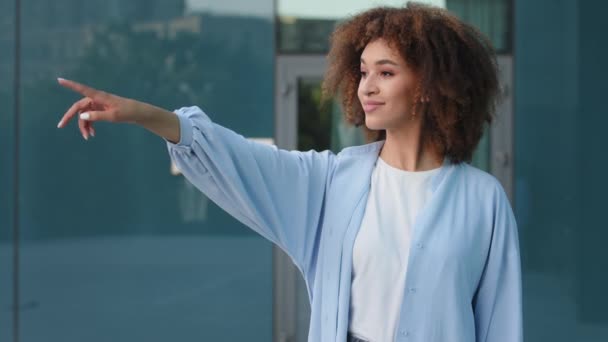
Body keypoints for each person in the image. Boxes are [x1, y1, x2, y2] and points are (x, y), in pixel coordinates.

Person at [57, 3, 522, 342]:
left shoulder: (483, 201)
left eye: (386, 72)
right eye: (362, 72)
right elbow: (232, 156)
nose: (368, 87)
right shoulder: (329, 183)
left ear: (427, 87)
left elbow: (500, 324)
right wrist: (142, 113)